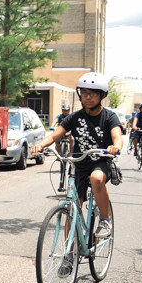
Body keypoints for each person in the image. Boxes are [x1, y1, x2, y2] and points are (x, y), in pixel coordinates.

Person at [32, 72, 122, 240]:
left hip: (101, 162)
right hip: (79, 164)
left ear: (102, 95)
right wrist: (40, 145)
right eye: (84, 93)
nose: (88, 97)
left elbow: (117, 136)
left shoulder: (109, 117)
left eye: (93, 93)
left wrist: (115, 147)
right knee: (72, 210)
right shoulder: (75, 117)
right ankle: (69, 257)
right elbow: (54, 135)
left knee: (96, 179)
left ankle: (104, 219)